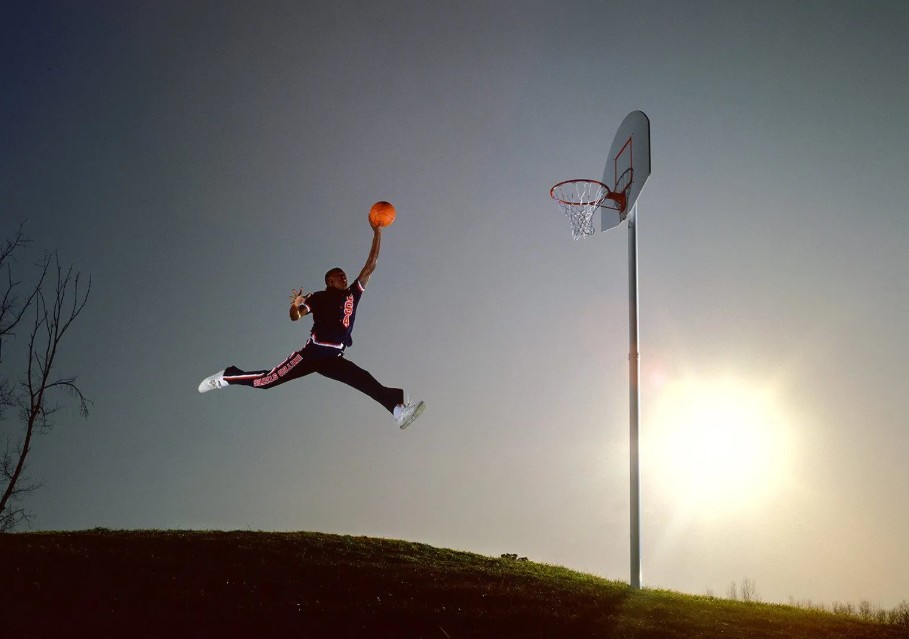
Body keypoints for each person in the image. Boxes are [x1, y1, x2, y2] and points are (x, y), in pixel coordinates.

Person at [198, 219, 425, 429]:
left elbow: (370, 265)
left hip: (333, 358)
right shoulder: (318, 297)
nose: (344, 276)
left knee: (362, 379)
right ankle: (228, 376)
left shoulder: (353, 294)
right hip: (311, 355)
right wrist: (295, 305)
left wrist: (377, 231)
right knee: (266, 381)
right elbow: (295, 317)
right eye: (339, 275)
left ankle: (397, 410)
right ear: (329, 281)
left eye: (344, 274)